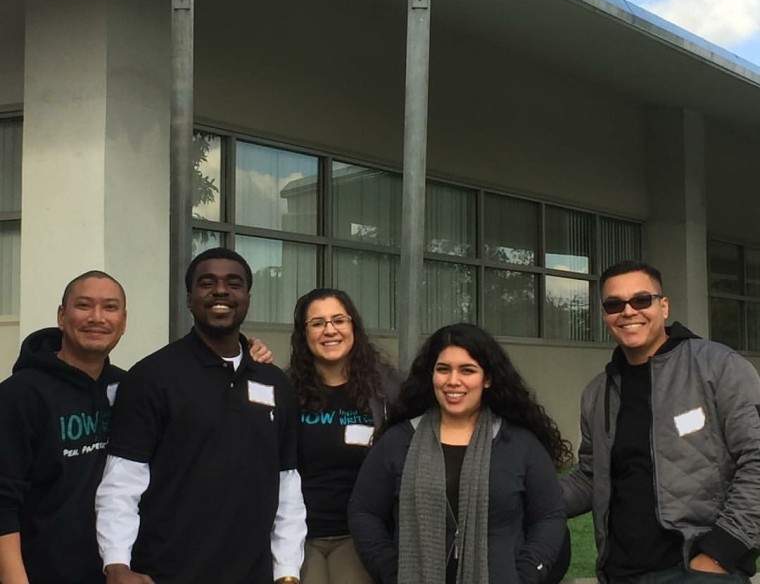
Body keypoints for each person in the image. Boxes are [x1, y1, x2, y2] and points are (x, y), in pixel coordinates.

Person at [95, 247, 305, 584]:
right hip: (167, 572)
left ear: (247, 298)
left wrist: (287, 572)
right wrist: (117, 563)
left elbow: (287, 485)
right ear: (190, 299)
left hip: (255, 574)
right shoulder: (151, 377)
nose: (221, 291)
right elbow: (122, 481)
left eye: (233, 283)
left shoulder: (275, 382)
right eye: (207, 283)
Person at [561, 259, 760, 584]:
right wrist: (523, 493)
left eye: (641, 300)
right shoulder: (598, 393)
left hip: (698, 570)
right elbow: (589, 477)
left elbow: (757, 459)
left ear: (663, 306)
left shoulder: (719, 368)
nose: (628, 311)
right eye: (614, 304)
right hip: (620, 572)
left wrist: (720, 553)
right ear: (604, 315)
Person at [348, 322, 572, 584]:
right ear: (431, 375)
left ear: (487, 378)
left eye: (467, 370)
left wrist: (525, 574)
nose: (453, 381)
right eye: (443, 369)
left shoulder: (519, 444)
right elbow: (364, 512)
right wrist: (392, 572)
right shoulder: (398, 442)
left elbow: (549, 516)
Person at [0, 270, 128, 584]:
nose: (97, 318)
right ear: (62, 316)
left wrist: (245, 357)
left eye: (110, 308)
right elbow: (3, 500)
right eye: (84, 305)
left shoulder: (129, 389)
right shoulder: (19, 394)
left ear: (123, 321)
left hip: (113, 573)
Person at [289, 288, 401, 584]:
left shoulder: (388, 390)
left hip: (359, 533)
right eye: (317, 323)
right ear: (304, 333)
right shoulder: (286, 390)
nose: (330, 330)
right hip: (300, 535)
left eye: (339, 320)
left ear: (353, 326)